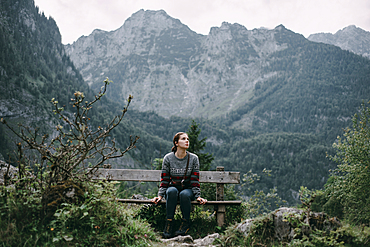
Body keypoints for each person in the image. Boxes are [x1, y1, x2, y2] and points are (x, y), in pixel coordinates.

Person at [151, 132, 207, 238]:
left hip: (187, 189)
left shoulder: (193, 158)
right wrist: (160, 196)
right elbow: (165, 179)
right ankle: (169, 223)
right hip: (173, 187)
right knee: (171, 191)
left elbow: (195, 180)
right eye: (183, 139)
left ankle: (185, 223)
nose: (187, 141)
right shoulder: (168, 158)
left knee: (184, 195)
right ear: (176, 143)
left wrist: (198, 196)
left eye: (188, 139)